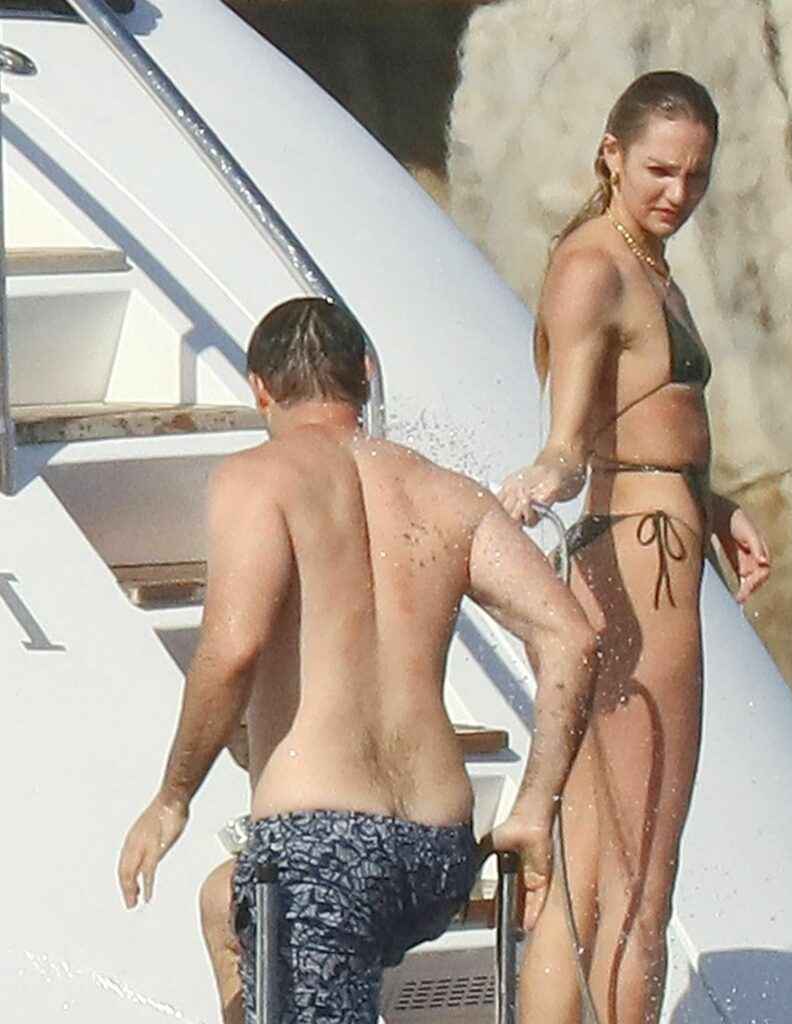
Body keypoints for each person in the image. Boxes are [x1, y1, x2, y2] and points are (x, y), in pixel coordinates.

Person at [117, 296, 599, 1024]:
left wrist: (173, 797)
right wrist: (534, 805)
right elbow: (572, 638)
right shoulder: (450, 495)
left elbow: (233, 648)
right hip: (435, 857)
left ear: (260, 389)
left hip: (321, 852)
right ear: (366, 373)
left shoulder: (257, 479)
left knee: (271, 903)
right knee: (224, 900)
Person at [499, 71, 771, 1024]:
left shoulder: (634, 257)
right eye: (659, 170)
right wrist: (541, 478)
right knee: (643, 887)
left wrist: (714, 502)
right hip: (642, 567)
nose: (677, 193)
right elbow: (571, 442)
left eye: (695, 175)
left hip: (640, 540)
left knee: (581, 873)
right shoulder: (595, 267)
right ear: (610, 154)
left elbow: (640, 420)